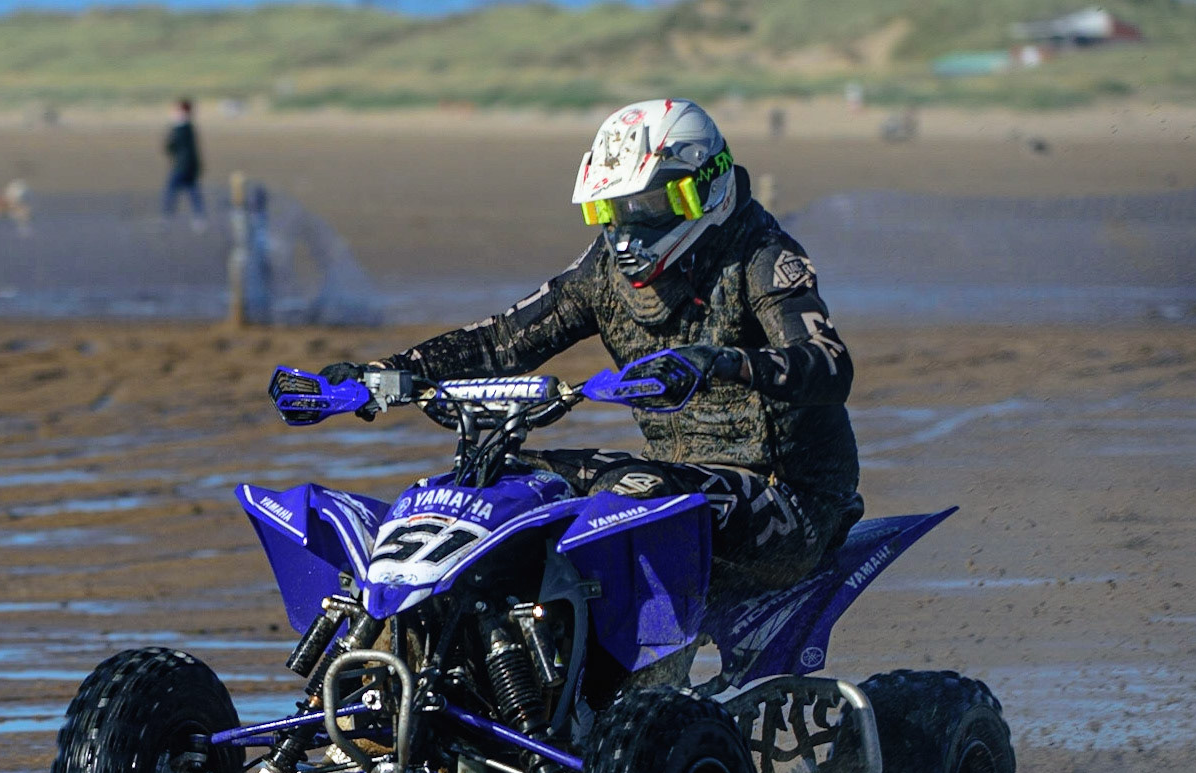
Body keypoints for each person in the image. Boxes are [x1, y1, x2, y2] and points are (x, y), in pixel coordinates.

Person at [318, 98, 863, 599]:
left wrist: (724, 362)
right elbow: (503, 340)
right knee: (495, 486)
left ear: (706, 189)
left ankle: (639, 678)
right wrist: (385, 372)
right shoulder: (602, 274)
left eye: (649, 205)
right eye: (610, 212)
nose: (627, 232)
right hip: (680, 475)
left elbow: (830, 365)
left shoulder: (763, 258)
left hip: (790, 500)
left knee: (631, 498)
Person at [163, 97, 206, 227]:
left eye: (177, 110)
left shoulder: (182, 128)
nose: (174, 112)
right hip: (189, 166)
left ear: (183, 111)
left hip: (182, 166)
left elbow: (171, 146)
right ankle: (199, 218)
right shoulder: (189, 127)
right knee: (193, 192)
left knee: (171, 190)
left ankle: (167, 217)